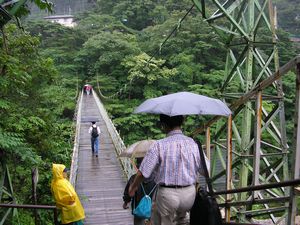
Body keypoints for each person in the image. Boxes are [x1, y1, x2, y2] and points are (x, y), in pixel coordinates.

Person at [129, 114, 209, 225]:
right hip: (189, 195)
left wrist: (133, 186)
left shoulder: (159, 145)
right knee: (183, 221)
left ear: (163, 125)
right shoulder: (194, 144)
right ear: (182, 122)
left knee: (163, 220)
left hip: (168, 195)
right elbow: (206, 171)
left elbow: (144, 172)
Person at [123, 158, 157, 225]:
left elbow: (128, 192)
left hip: (138, 209)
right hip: (153, 209)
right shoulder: (156, 179)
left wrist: (126, 202)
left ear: (137, 166)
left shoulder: (133, 178)